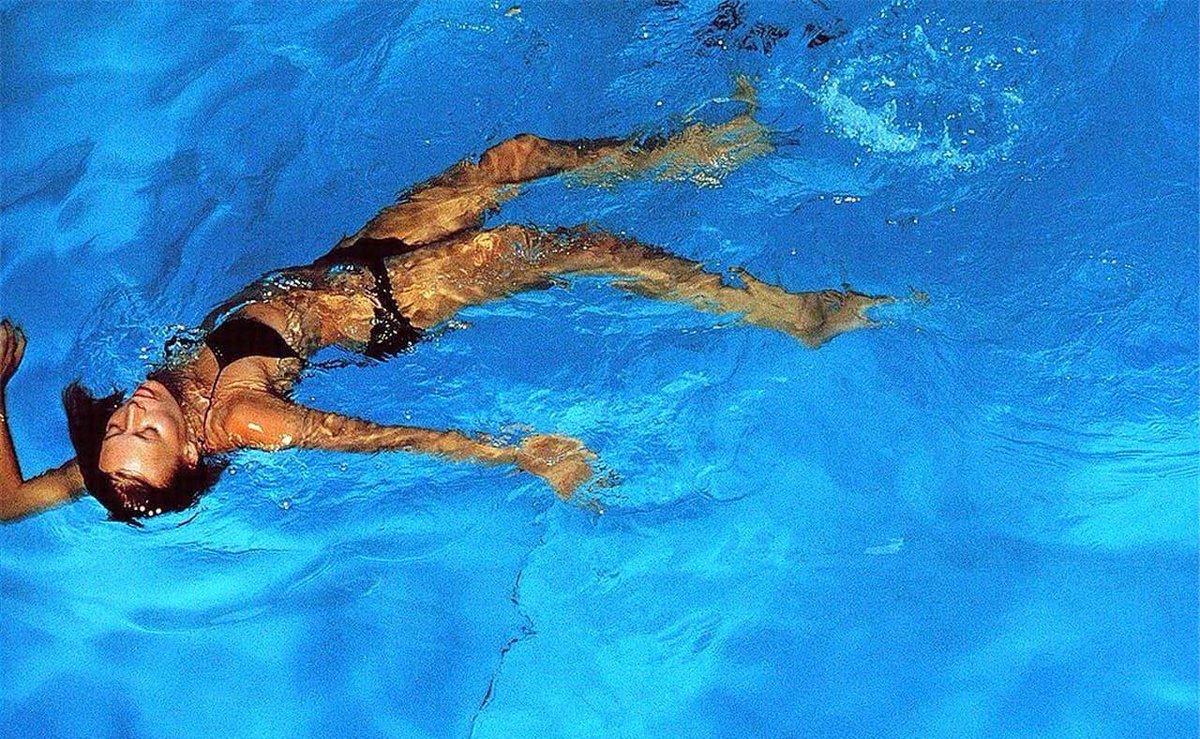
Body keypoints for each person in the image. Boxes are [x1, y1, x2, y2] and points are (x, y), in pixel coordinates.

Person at [0, 89, 892, 523]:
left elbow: (5, 506)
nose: (134, 411)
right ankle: (789, 317)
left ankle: (687, 152)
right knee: (575, 247)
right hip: (387, 303)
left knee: (518, 154)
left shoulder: (119, 465)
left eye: (119, 421)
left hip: (348, 262)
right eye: (145, 432)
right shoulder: (246, 420)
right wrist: (517, 454)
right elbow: (381, 438)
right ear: (193, 452)